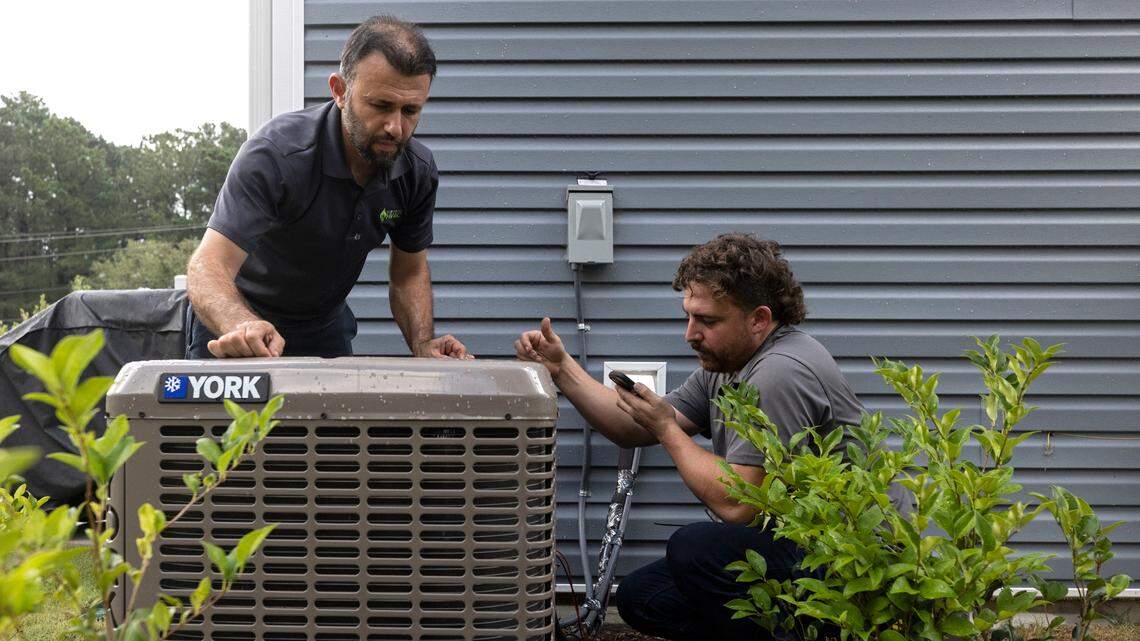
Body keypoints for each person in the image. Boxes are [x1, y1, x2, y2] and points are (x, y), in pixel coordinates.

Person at [514, 233, 863, 641]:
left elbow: (738, 504)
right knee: (642, 596)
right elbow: (632, 425)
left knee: (695, 548)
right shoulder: (727, 365)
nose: (690, 334)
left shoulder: (779, 372)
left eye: (708, 321)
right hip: (793, 547)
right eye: (689, 316)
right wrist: (563, 370)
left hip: (848, 563)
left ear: (759, 320)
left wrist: (665, 429)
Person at [185, 15, 468, 360]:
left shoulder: (416, 172)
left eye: (410, 110)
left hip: (323, 325)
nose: (395, 127)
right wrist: (239, 324)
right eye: (380, 106)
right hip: (240, 316)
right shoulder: (276, 155)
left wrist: (423, 343)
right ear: (340, 91)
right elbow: (208, 264)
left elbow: (409, 273)